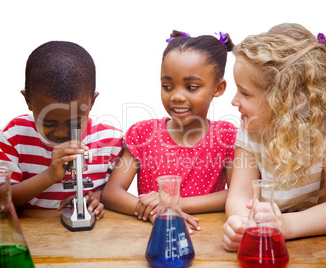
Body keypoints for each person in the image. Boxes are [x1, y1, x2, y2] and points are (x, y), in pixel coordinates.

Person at [222, 23, 326, 251]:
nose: (234, 101)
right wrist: (242, 223)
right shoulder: (251, 126)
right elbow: (240, 193)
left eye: (244, 92)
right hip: (265, 239)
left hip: (319, 246)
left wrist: (285, 226)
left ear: (283, 98)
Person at [101, 31, 237, 231]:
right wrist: (157, 212)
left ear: (218, 88)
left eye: (191, 87)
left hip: (206, 234)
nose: (176, 96)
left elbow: (236, 193)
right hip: (153, 234)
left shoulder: (226, 135)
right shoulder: (143, 133)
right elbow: (112, 192)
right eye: (167, 86)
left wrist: (171, 203)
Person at [0, 41, 123, 220]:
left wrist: (93, 199)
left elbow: (114, 192)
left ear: (92, 102)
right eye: (49, 122)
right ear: (28, 100)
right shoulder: (14, 136)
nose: (60, 133)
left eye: (74, 122)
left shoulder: (111, 141)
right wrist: (49, 175)